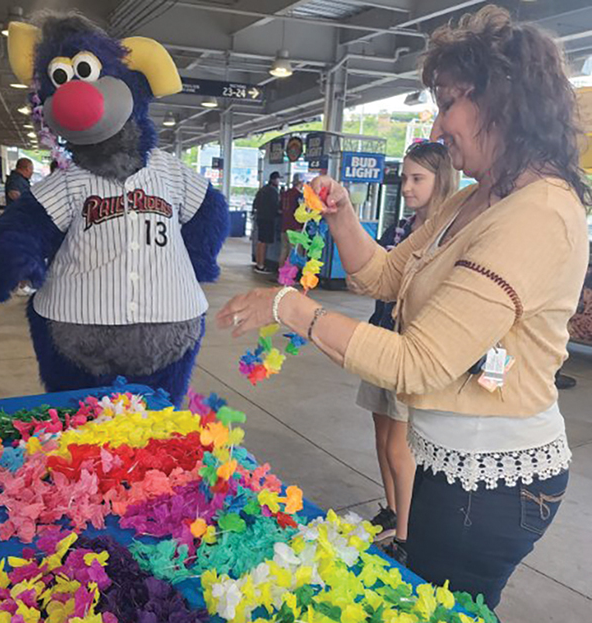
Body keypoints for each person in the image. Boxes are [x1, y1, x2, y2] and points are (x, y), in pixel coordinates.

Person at [217, 6, 589, 611]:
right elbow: (386, 276)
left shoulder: (538, 213)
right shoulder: (475, 198)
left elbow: (418, 363)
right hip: (447, 460)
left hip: (491, 479)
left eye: (449, 103)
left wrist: (290, 308)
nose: (439, 127)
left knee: (447, 608)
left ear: (501, 99)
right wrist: (343, 217)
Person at [359, 142, 457, 562]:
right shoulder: (401, 228)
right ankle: (393, 509)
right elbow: (375, 269)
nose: (407, 187)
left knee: (400, 446)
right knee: (382, 435)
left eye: (418, 178)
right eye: (404, 178)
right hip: (381, 337)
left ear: (442, 180)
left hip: (409, 349)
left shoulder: (449, 234)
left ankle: (405, 536)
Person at [252, 171, 281, 273]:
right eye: (278, 179)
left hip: (260, 217)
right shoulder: (273, 191)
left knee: (260, 242)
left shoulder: (263, 189)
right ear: (274, 180)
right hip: (268, 219)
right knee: (263, 242)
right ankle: (261, 265)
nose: (279, 181)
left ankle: (259, 263)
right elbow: (276, 206)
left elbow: (255, 203)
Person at [278, 173, 304, 270]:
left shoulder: (285, 194)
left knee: (284, 250)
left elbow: (280, 209)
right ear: (301, 182)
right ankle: (290, 275)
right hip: (295, 227)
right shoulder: (299, 195)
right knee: (294, 252)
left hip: (284, 226)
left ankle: (281, 272)